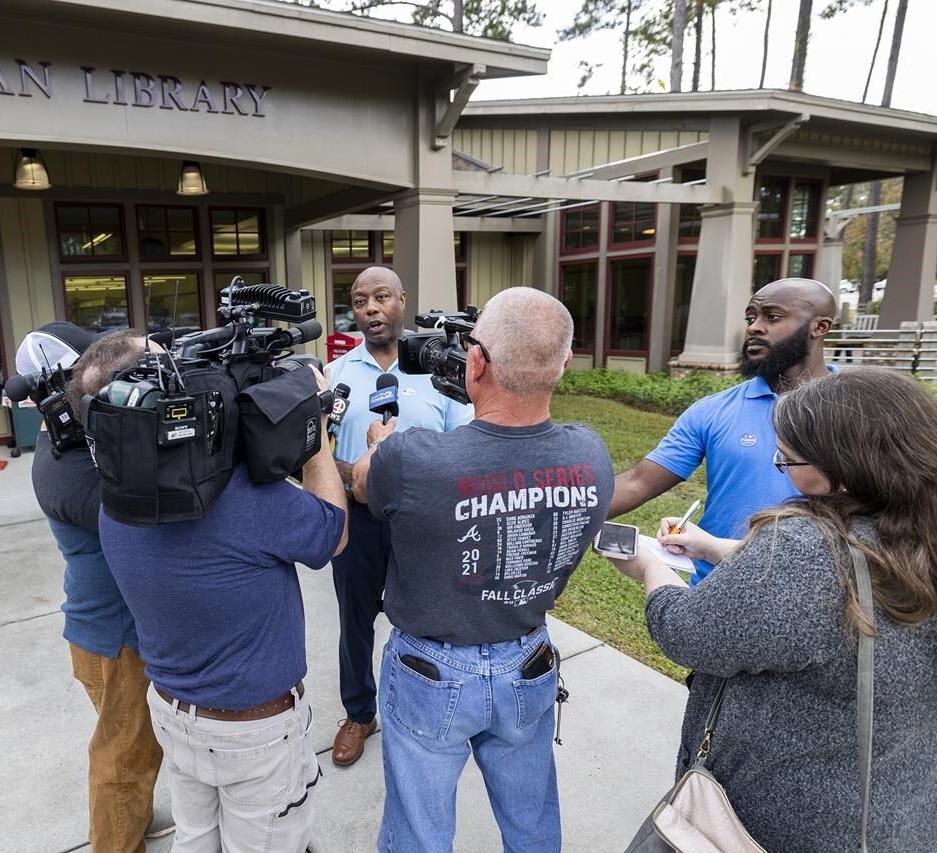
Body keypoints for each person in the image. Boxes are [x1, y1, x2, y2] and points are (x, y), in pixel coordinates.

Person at [605, 367, 937, 852]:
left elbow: (690, 634)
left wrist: (650, 571)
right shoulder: (914, 530)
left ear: (841, 470)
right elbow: (839, 592)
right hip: (897, 809)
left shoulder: (803, 551)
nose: (778, 460)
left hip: (784, 820)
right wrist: (716, 547)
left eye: (786, 457)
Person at [351, 287, 614, 852]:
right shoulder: (591, 455)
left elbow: (362, 483)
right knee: (532, 823)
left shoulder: (410, 457)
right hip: (529, 659)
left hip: (429, 670)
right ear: (564, 365)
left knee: (418, 834)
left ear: (475, 361)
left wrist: (379, 445)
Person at [97, 335, 348, 853]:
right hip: (254, 735)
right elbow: (333, 534)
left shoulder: (114, 497)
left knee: (195, 842)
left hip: (173, 712)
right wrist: (316, 431)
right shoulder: (250, 501)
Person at [24, 325, 171, 852]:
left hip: (104, 632)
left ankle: (138, 816)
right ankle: (117, 840)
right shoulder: (68, 467)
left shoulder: (72, 443)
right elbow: (148, 520)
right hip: (114, 638)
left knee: (133, 744)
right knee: (124, 756)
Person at [324, 266, 472, 767]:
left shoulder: (441, 371)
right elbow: (321, 454)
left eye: (381, 297)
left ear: (402, 300)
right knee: (355, 620)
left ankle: (430, 707)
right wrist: (355, 474)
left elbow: (463, 449)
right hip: (359, 519)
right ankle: (359, 711)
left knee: (429, 620)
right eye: (360, 301)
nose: (370, 309)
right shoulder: (340, 374)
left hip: (423, 523)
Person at [607, 277, 838, 583]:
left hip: (813, 591)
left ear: (819, 327)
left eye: (772, 316)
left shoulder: (858, 412)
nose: (754, 327)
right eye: (751, 317)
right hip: (714, 589)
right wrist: (561, 516)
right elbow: (639, 481)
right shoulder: (713, 410)